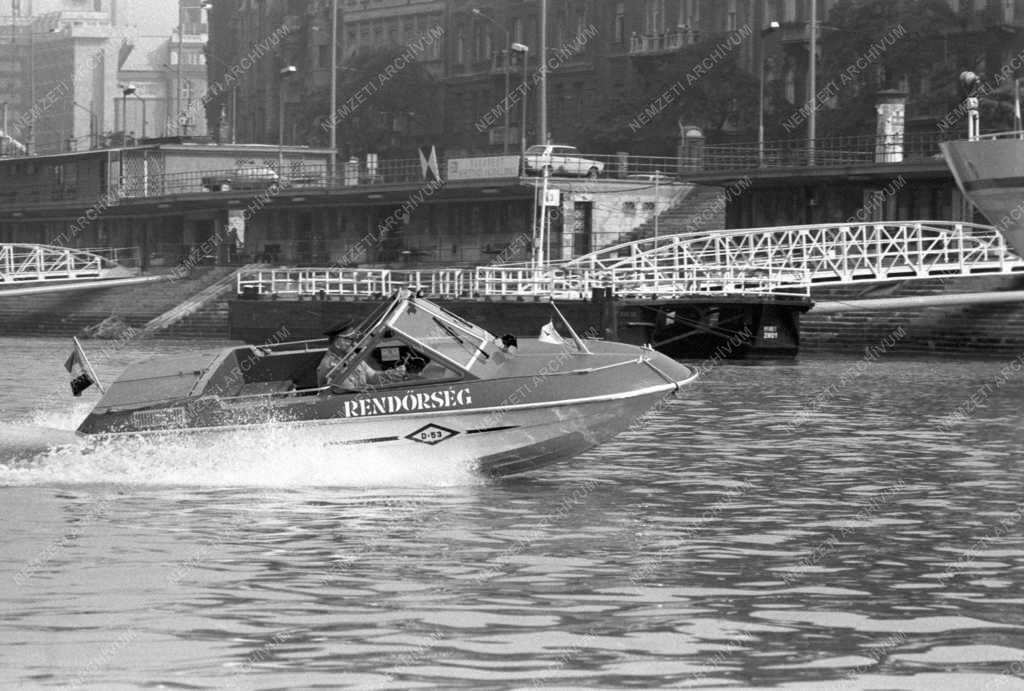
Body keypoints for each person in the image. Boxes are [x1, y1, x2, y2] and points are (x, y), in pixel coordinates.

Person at [316, 319, 404, 391]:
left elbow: (372, 376)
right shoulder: (331, 366)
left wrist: (393, 374)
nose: (355, 344)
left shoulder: (351, 356)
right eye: (351, 340)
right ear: (339, 342)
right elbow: (351, 393)